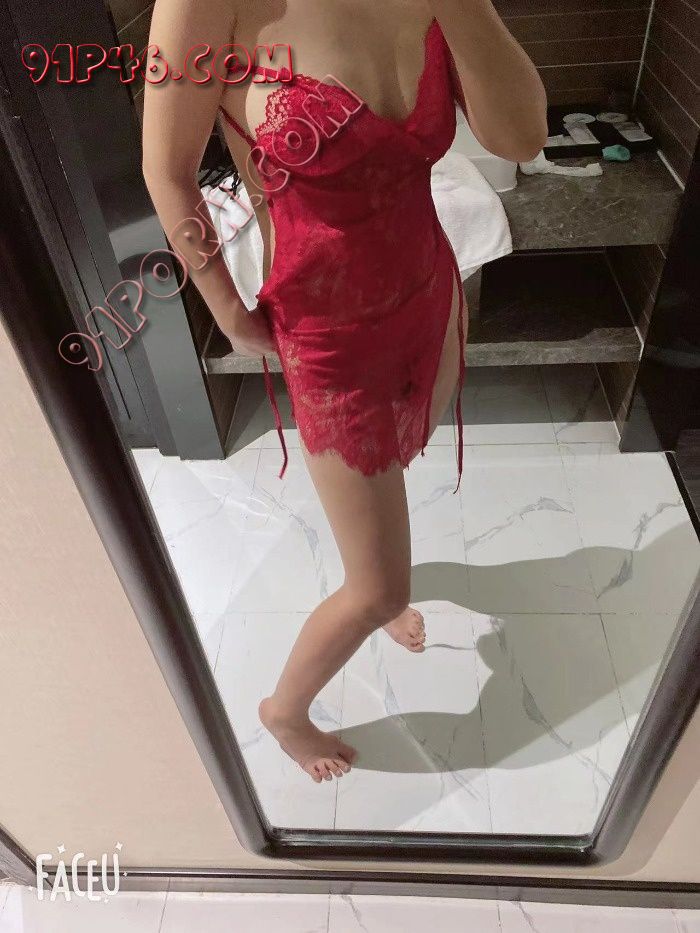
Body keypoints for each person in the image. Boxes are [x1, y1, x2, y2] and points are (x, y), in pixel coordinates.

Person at [142, 0, 547, 783]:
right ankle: (286, 711)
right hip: (328, 335)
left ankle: (377, 572)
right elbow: (167, 170)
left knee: (394, 469)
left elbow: (523, 137)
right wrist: (227, 310)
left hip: (427, 291)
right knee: (379, 585)